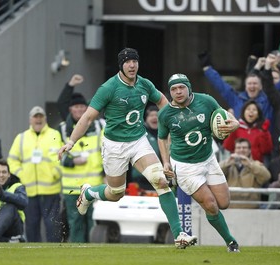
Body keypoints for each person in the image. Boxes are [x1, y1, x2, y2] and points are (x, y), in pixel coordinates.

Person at [57, 48, 197, 249]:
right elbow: (87, 117)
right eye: (127, 61)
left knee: (161, 181)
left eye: (135, 61)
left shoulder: (145, 84)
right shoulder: (109, 88)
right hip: (114, 146)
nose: (132, 65)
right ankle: (88, 194)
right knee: (116, 193)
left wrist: (175, 120)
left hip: (138, 141)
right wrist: (70, 142)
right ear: (121, 65)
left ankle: (179, 235)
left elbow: (162, 101)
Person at [158, 73, 241, 252]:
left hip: (209, 159)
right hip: (186, 167)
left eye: (181, 87)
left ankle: (201, 200)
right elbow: (162, 138)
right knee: (211, 204)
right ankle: (231, 242)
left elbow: (226, 116)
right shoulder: (165, 113)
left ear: (188, 87)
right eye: (173, 89)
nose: (178, 92)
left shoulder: (206, 101)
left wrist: (235, 124)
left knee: (224, 203)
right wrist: (165, 162)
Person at [57, 74, 104, 243]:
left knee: (94, 222)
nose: (79, 110)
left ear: (87, 109)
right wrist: (71, 162)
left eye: (82, 107)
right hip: (73, 187)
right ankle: (77, 254)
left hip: (95, 185)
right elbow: (53, 155)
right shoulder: (62, 129)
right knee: (75, 223)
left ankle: (95, 254)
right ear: (70, 109)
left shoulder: (99, 126)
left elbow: (107, 151)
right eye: (75, 107)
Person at [8, 106, 63, 242]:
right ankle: (33, 252)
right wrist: (22, 174)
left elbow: (62, 157)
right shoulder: (21, 138)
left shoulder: (54, 134)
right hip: (29, 191)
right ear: (30, 120)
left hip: (51, 190)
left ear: (45, 118)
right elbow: (12, 160)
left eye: (40, 116)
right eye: (35, 117)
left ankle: (55, 254)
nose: (38, 119)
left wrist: (55, 173)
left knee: (52, 225)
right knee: (31, 226)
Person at [219, 138, 271, 209]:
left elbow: (267, 177)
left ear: (249, 151)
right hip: (230, 208)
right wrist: (227, 163)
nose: (241, 150)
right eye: (238, 148)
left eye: (244, 148)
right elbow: (214, 174)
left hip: (251, 208)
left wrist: (250, 165)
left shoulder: (256, 165)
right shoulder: (228, 164)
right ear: (234, 150)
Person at [130, 105, 160, 192]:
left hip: (161, 181)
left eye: (157, 115)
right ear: (146, 119)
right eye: (151, 115)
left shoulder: (166, 135)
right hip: (141, 182)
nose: (154, 117)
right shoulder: (139, 134)